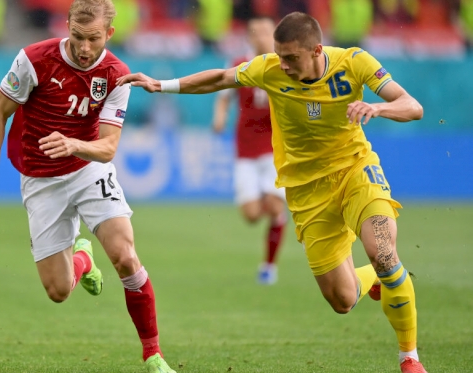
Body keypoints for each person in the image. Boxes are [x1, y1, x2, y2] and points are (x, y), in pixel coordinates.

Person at [118, 11, 427, 373]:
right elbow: (220, 78)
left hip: (356, 173)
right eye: (280, 56)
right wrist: (162, 84)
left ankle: (409, 357)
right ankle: (371, 277)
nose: (283, 64)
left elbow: (413, 106)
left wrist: (377, 107)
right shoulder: (270, 69)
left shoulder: (354, 62)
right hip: (307, 192)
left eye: (291, 57)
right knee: (343, 300)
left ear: (315, 50)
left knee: (384, 252)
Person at [0, 1, 176, 372]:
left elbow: (108, 147)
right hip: (39, 178)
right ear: (66, 26)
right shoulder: (33, 60)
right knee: (59, 291)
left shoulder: (116, 75)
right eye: (77, 37)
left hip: (88, 169)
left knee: (126, 256)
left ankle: (153, 354)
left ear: (108, 34)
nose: (84, 48)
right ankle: (82, 257)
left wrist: (75, 144)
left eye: (93, 39)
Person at [211, 16, 287, 285]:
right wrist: (220, 117)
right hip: (245, 150)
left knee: (275, 205)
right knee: (252, 215)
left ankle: (269, 266)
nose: (261, 37)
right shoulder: (239, 65)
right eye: (256, 32)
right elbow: (223, 94)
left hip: (275, 149)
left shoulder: (284, 66)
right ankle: (278, 213)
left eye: (266, 32)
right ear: (249, 37)